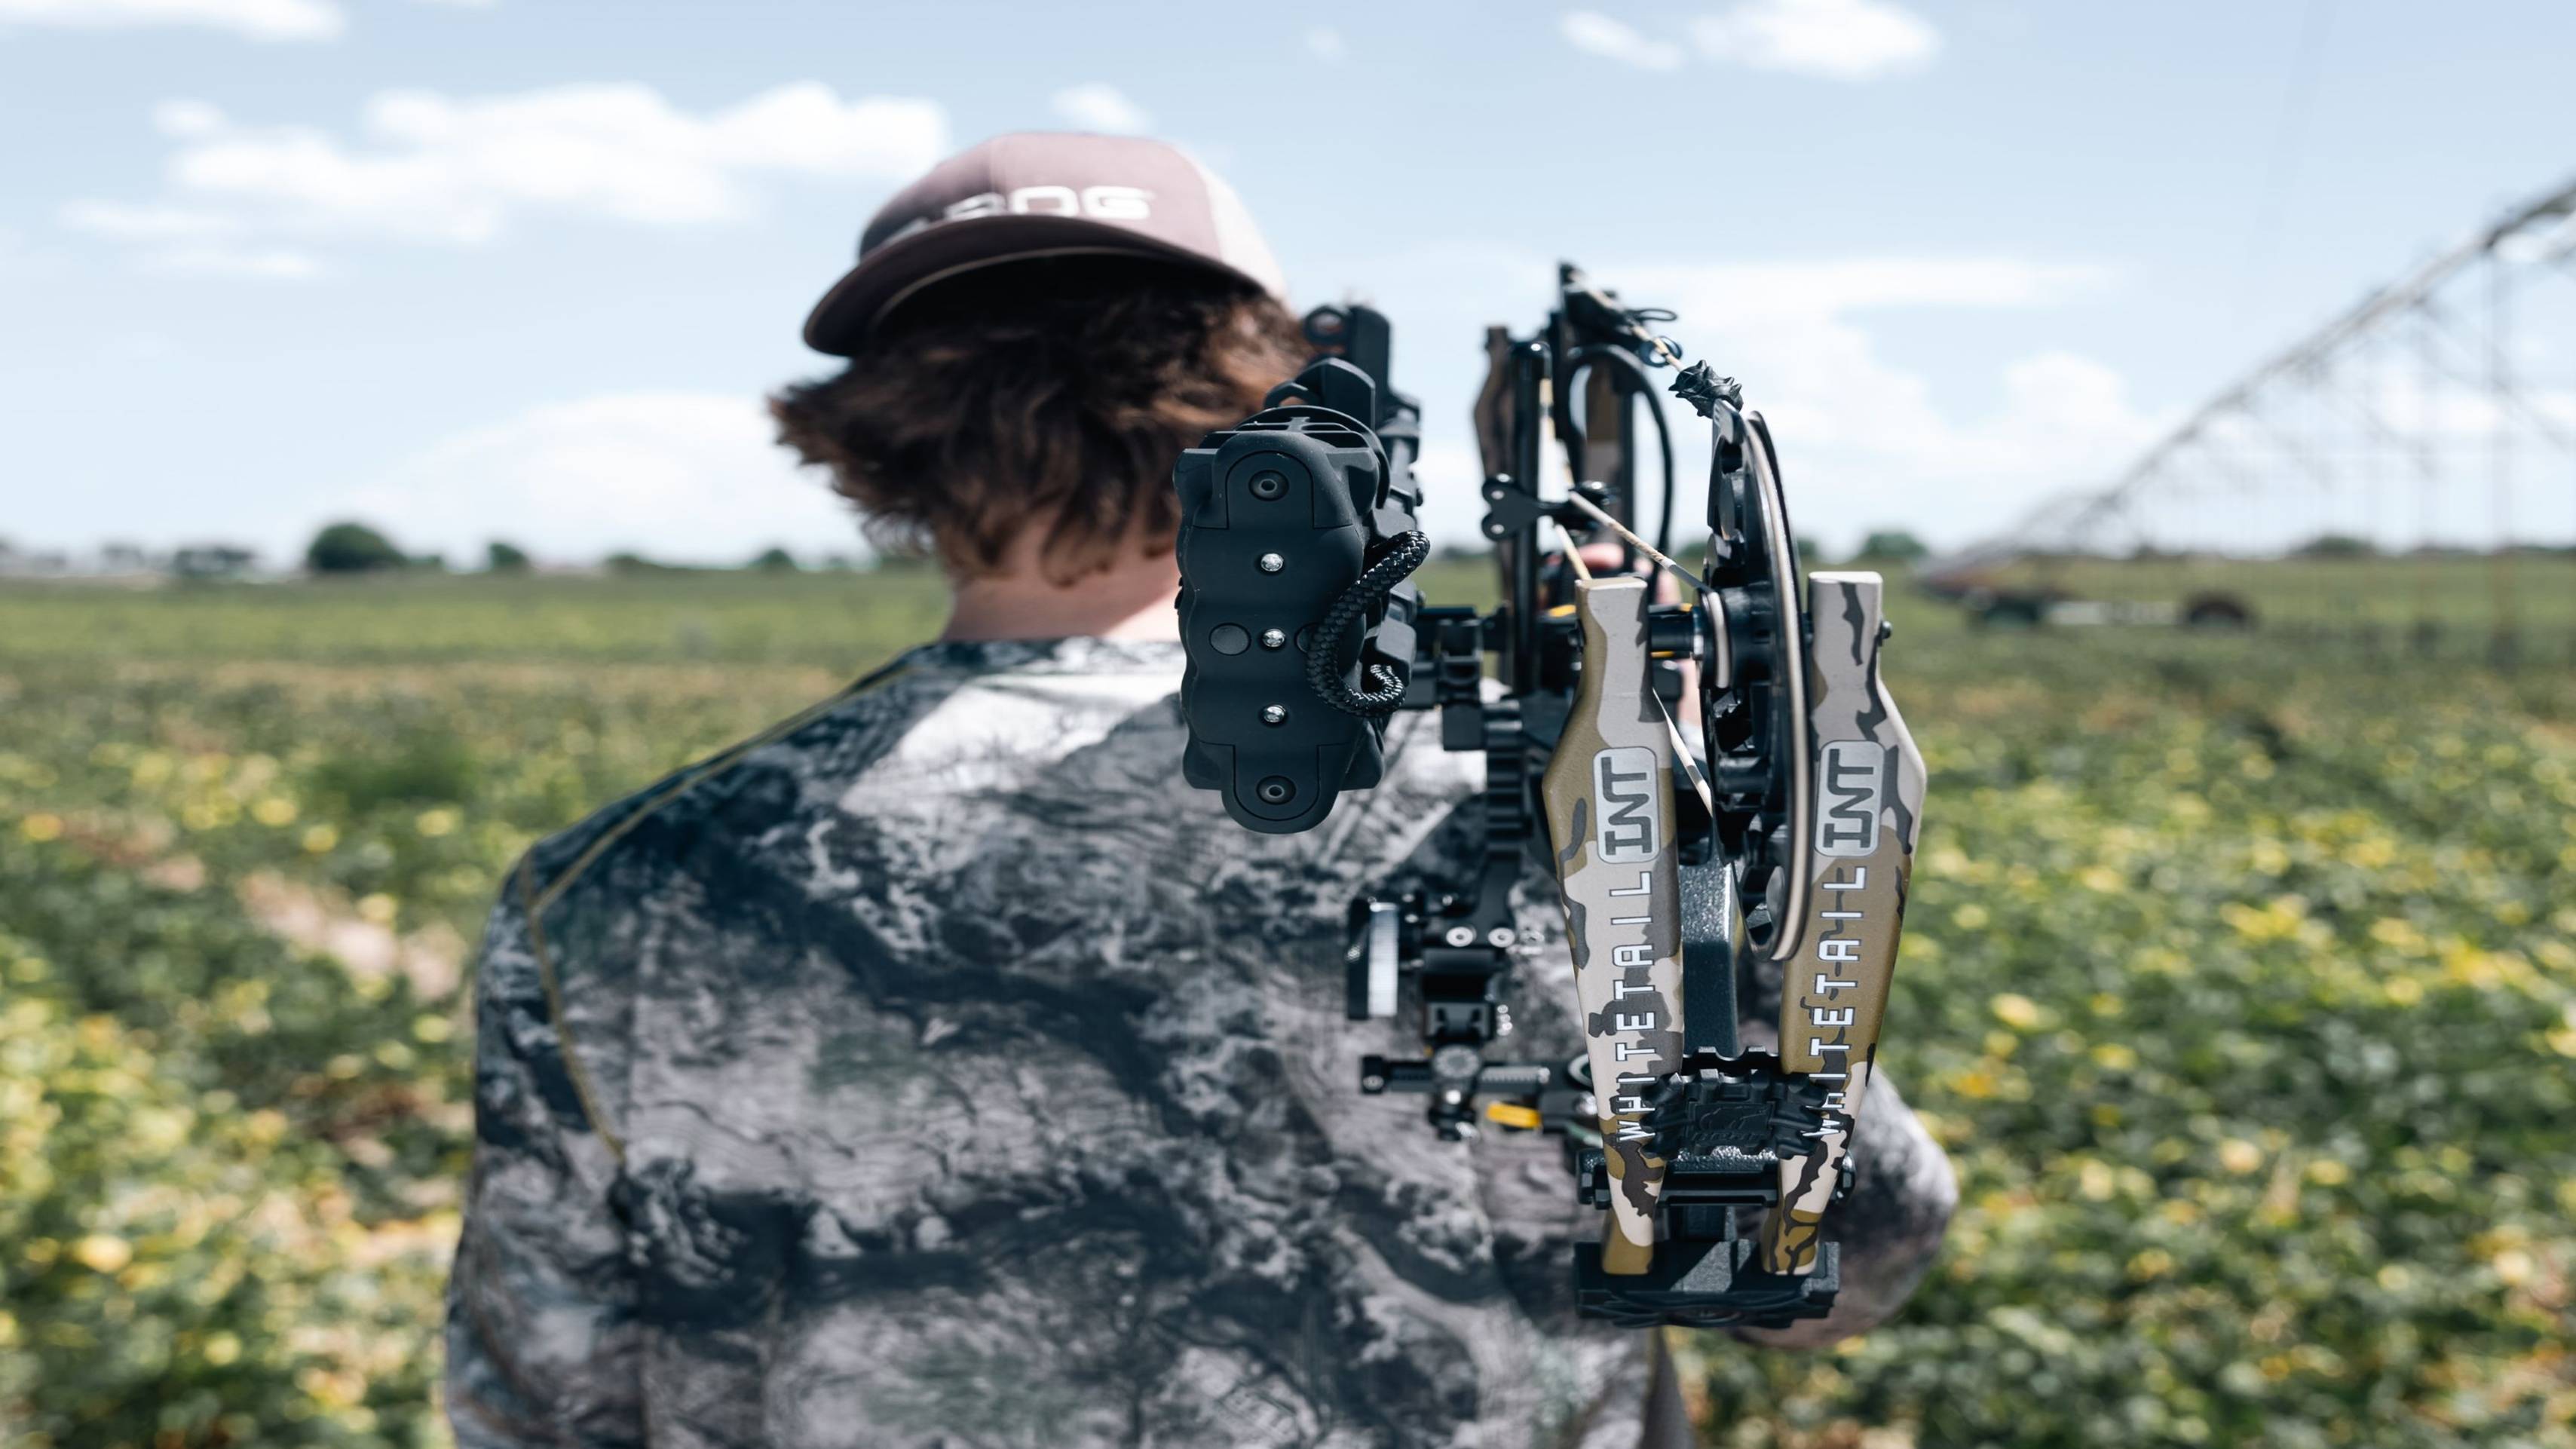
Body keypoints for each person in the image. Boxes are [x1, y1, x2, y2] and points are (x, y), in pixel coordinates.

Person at [443, 132, 1956, 1449]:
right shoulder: (1542, 820)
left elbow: (543, 1405)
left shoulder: (616, 892)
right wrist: (1701, 859)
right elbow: (1833, 1266)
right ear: (1278, 401)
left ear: (879, 434)